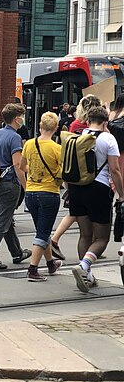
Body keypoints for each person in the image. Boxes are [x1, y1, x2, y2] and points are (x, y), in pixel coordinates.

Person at [68, 106, 124, 292]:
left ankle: (88, 275)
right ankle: (84, 266)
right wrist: (122, 194)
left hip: (77, 189)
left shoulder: (78, 135)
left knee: (85, 234)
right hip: (98, 189)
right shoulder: (108, 139)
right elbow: (114, 170)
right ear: (105, 121)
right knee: (101, 237)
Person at [50, 94, 103, 257]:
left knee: (78, 212)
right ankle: (56, 239)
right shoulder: (92, 128)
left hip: (73, 173)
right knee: (82, 213)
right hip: (88, 173)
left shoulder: (74, 124)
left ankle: (92, 248)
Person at [0, 103, 31, 270]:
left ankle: (17, 252)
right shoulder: (15, 137)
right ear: (17, 118)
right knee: (1, 222)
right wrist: (26, 186)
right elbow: (18, 165)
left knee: (5, 219)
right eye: (22, 116)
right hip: (9, 184)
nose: (23, 119)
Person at [19, 112, 63, 282]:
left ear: (39, 126)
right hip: (49, 192)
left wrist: (35, 172)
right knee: (43, 231)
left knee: (41, 229)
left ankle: (51, 263)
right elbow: (63, 171)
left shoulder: (29, 144)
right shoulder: (57, 148)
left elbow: (22, 166)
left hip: (31, 192)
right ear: (56, 128)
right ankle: (33, 269)